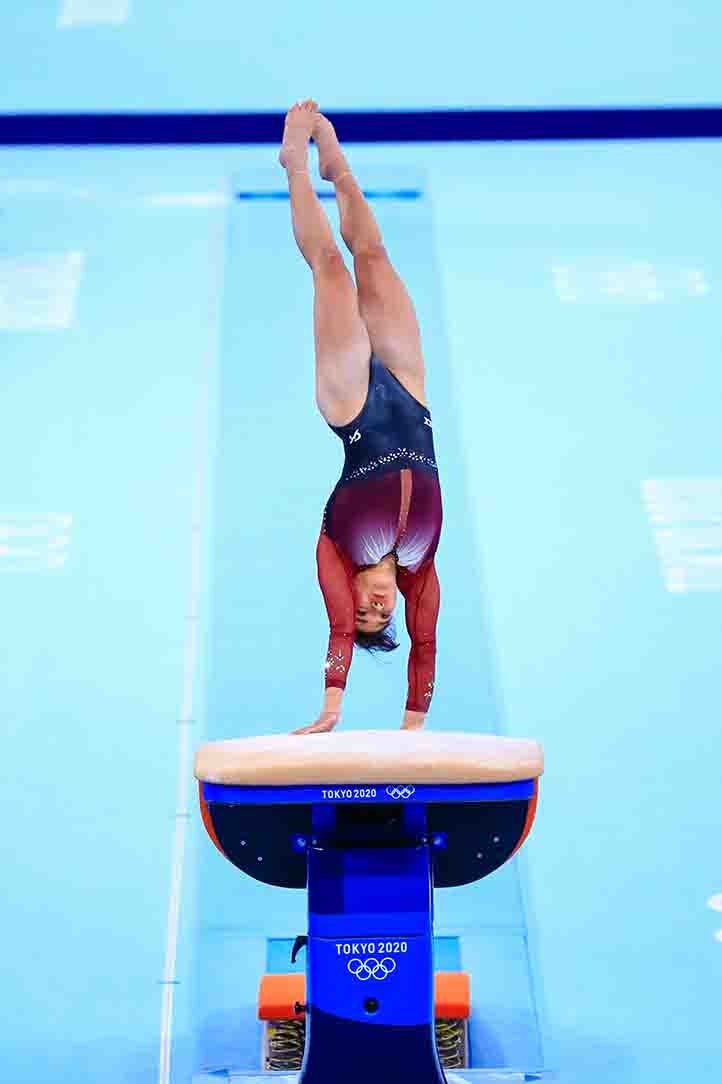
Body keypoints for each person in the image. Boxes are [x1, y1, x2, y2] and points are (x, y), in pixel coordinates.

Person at [278, 100, 442, 735]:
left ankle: (298, 166)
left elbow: (337, 628)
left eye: (366, 613)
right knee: (372, 255)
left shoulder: (336, 552)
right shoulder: (419, 569)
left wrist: (331, 709)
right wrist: (413, 734)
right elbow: (426, 650)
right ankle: (339, 167)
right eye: (384, 615)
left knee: (332, 271)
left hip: (352, 408)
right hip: (411, 392)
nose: (375, 607)